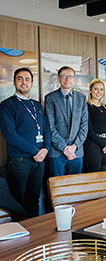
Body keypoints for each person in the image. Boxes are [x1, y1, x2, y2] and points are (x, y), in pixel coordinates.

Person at [0, 68, 50, 218]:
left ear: (32, 83)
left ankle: (34, 232)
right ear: (14, 82)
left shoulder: (37, 105)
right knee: (18, 200)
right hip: (19, 161)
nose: (24, 82)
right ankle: (21, 237)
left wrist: (46, 149)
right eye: (20, 79)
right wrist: (35, 151)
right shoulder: (7, 105)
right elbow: (10, 135)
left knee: (34, 199)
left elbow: (46, 128)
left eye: (27, 79)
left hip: (39, 160)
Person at [45, 66, 88, 176]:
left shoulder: (82, 98)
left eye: (70, 77)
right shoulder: (50, 98)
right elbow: (50, 127)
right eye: (64, 76)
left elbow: (84, 125)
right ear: (58, 79)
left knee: (74, 187)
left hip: (76, 152)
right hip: (57, 152)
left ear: (74, 79)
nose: (67, 79)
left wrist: (74, 147)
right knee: (57, 188)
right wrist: (65, 148)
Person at [83, 79, 106, 172]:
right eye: (96, 89)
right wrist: (103, 144)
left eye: (101, 89)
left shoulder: (104, 107)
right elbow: (88, 130)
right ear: (91, 90)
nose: (99, 92)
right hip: (93, 145)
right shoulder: (87, 106)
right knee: (95, 176)